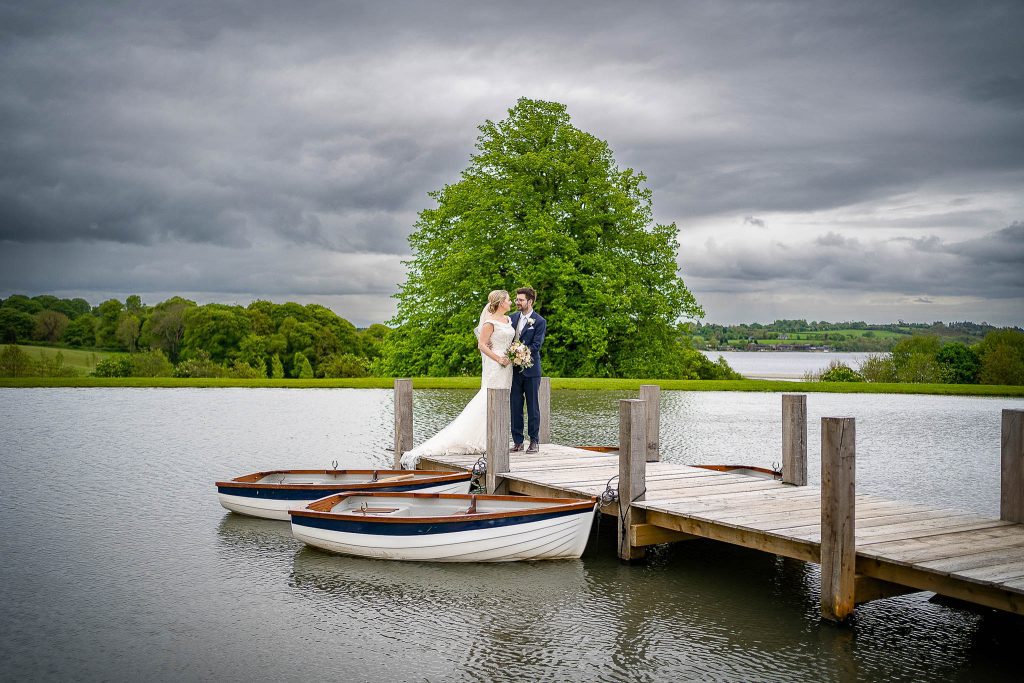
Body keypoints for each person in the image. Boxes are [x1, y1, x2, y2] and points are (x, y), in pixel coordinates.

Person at [400, 290, 514, 469]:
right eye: (508, 299)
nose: (511, 301)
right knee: (487, 398)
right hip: (495, 364)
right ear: (500, 302)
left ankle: (493, 437)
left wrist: (515, 353)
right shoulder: (489, 322)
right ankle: (478, 439)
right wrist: (498, 358)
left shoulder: (509, 320)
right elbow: (482, 345)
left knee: (502, 399)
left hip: (507, 367)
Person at [509, 287, 546, 453]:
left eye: (521, 300)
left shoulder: (539, 321)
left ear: (530, 301)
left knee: (533, 406)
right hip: (514, 371)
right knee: (515, 406)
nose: (517, 302)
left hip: (531, 370)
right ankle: (517, 441)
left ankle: (534, 441)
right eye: (516, 299)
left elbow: (536, 346)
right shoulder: (511, 318)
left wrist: (520, 352)